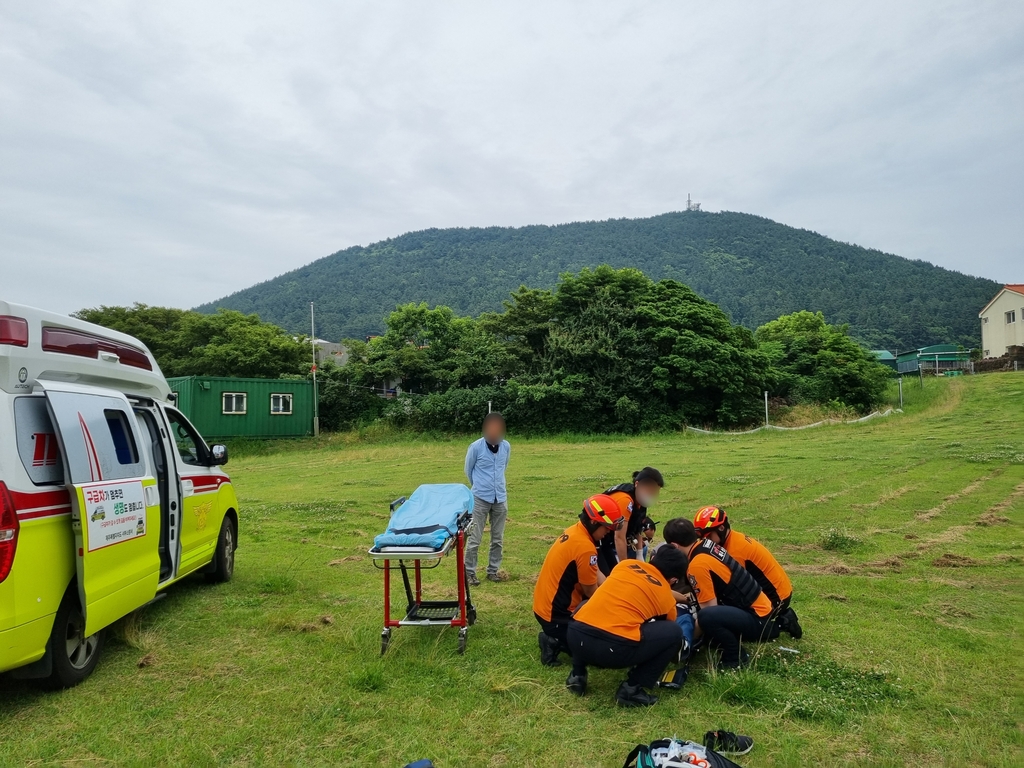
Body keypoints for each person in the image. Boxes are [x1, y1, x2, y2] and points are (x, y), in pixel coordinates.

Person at [565, 546, 688, 707]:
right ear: (673, 580)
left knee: (588, 606)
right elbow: (667, 625)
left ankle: (577, 675)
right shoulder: (665, 597)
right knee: (673, 633)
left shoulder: (626, 565)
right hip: (611, 651)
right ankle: (632, 688)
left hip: (575, 637)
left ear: (653, 558)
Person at [663, 517, 775, 670]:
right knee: (706, 617)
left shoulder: (697, 565)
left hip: (758, 619)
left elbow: (709, 610)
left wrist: (685, 640)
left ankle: (735, 658)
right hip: (762, 607)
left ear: (674, 546)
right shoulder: (706, 545)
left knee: (706, 617)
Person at [532, 494, 623, 666]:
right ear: (595, 522)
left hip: (543, 609)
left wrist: (614, 587)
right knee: (599, 650)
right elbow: (592, 593)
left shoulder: (575, 531)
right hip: (557, 617)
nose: (607, 534)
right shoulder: (585, 548)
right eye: (606, 528)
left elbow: (597, 575)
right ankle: (553, 641)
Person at [693, 505, 802, 639]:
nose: (705, 541)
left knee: (731, 623)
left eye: (708, 536)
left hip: (776, 598)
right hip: (778, 590)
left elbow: (732, 586)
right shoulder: (731, 540)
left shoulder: (735, 551)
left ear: (721, 528)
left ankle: (782, 623)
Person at [463, 412, 511, 587]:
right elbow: (468, 470)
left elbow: (503, 467)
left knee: (497, 538)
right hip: (480, 498)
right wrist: (479, 487)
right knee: (474, 538)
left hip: (500, 498)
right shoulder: (475, 447)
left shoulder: (506, 447)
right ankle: (470, 573)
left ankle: (493, 570)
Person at [597, 467, 665, 576]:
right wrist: (625, 567)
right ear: (637, 484)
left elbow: (637, 526)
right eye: (649, 490)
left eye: (654, 491)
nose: (651, 494)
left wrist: (639, 554)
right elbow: (619, 537)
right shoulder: (625, 500)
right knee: (609, 575)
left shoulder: (639, 501)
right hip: (597, 539)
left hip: (606, 541)